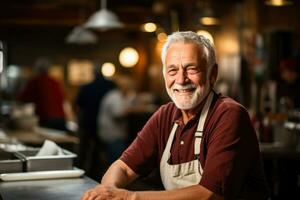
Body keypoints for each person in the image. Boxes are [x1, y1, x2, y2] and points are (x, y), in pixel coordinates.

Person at [81, 31, 269, 200]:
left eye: (191, 69)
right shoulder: (165, 115)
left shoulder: (228, 114)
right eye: (172, 70)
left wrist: (129, 197)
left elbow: (209, 195)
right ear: (164, 76)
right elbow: (122, 167)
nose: (181, 79)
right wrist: (108, 190)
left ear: (213, 74)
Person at [75, 67, 115, 180]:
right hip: (106, 124)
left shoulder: (86, 87)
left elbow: (78, 106)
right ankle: (98, 176)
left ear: (93, 73)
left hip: (88, 122)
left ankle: (80, 174)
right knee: (100, 152)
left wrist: (79, 122)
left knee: (84, 150)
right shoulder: (111, 85)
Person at [18, 57, 67, 130]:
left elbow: (22, 98)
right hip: (60, 119)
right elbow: (63, 98)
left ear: (37, 69)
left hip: (45, 119)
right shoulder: (55, 82)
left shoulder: (34, 81)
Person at [98, 75, 136, 165]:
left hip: (115, 134)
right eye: (128, 86)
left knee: (114, 159)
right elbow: (118, 114)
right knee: (117, 161)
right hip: (112, 135)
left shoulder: (121, 96)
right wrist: (135, 110)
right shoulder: (114, 97)